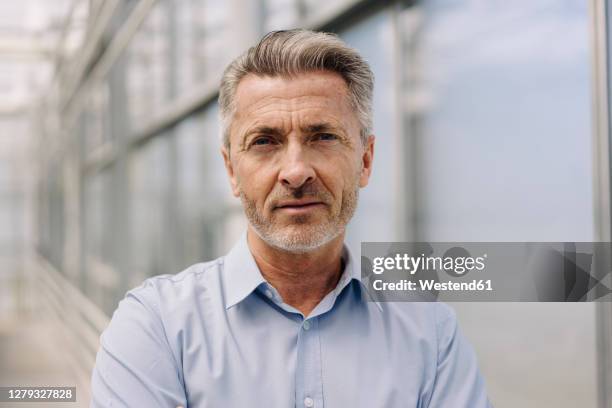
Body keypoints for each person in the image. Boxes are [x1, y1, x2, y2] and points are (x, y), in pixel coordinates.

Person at [91, 29, 491, 407]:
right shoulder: (157, 325)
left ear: (365, 161)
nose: (296, 171)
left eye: (323, 137)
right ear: (231, 170)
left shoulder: (430, 332)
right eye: (264, 142)